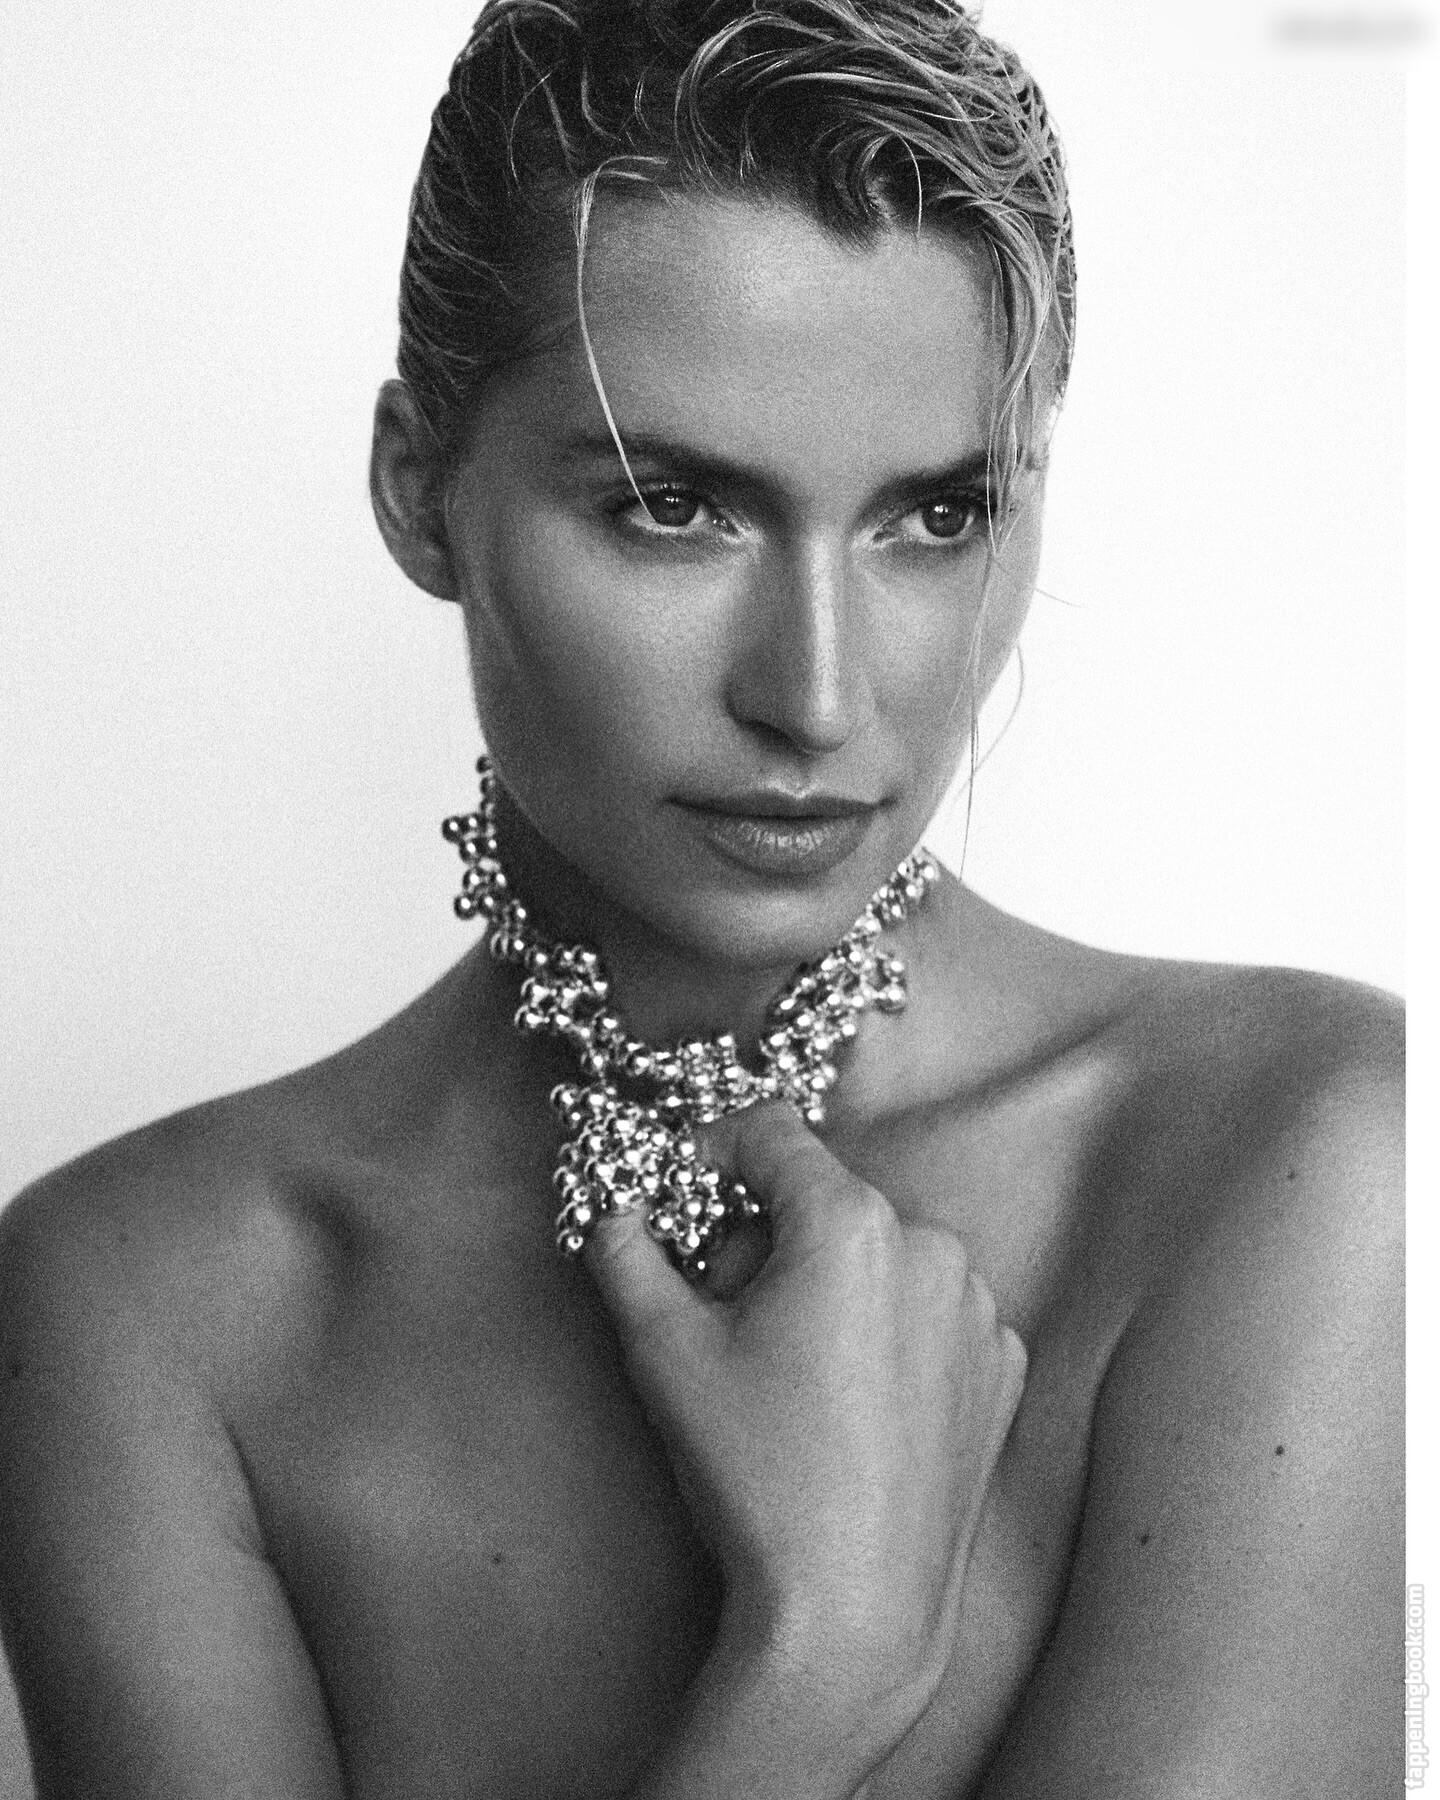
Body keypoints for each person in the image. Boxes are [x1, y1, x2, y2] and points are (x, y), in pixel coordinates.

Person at [0, 0, 1402, 1795]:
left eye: (934, 517)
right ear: (421, 491)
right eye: (674, 508)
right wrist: (824, 1659)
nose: (816, 698)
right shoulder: (146, 1313)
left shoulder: (1303, 1154)